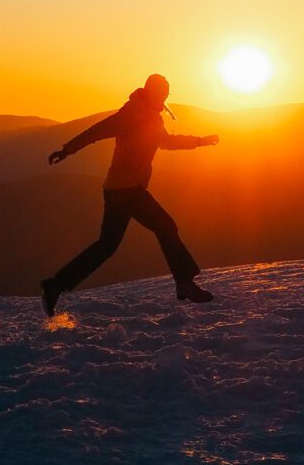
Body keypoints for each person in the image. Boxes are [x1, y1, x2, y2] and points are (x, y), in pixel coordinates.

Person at [39, 74, 219, 314]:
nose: (166, 97)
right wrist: (67, 150)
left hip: (118, 190)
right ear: (152, 92)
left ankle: (56, 285)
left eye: (167, 93)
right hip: (127, 190)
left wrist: (199, 141)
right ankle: (185, 283)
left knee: (107, 246)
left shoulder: (152, 116)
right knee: (166, 226)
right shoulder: (132, 113)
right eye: (163, 93)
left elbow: (166, 142)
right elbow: (98, 130)